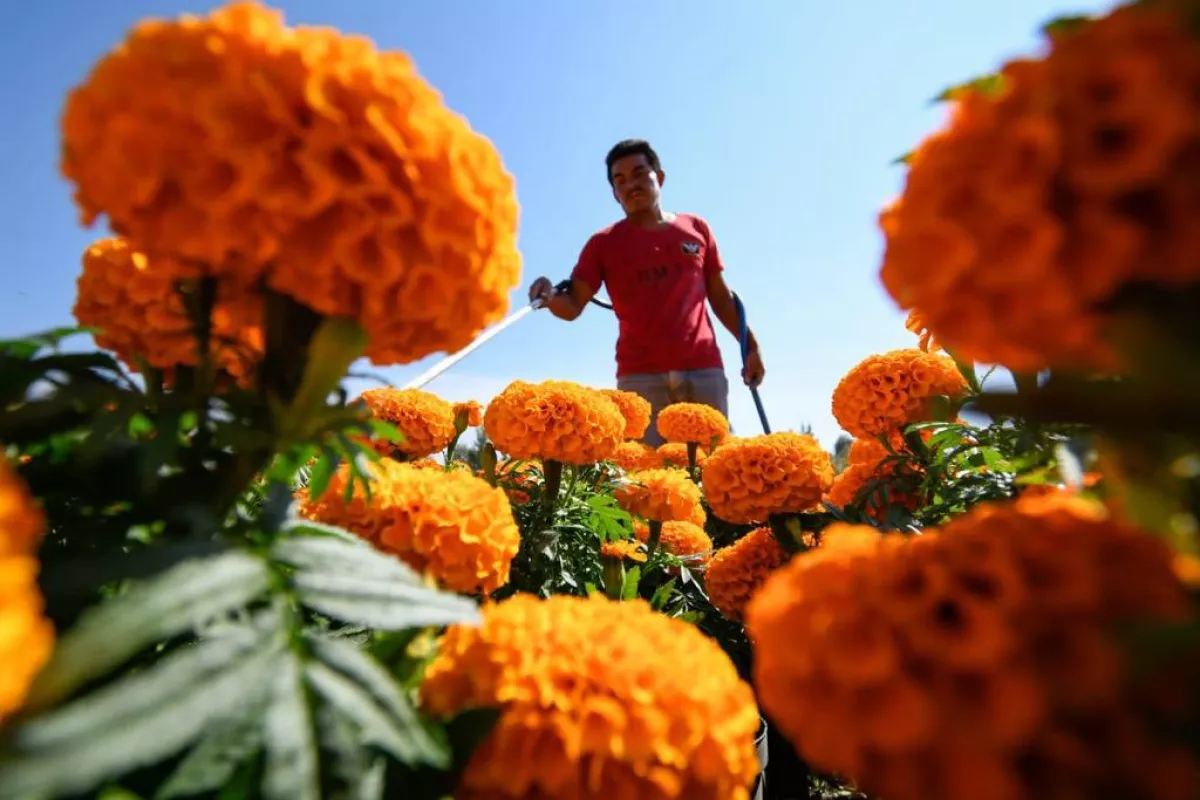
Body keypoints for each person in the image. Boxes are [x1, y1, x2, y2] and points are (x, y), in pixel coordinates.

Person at [528, 139, 766, 448]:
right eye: (620, 180)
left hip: (703, 369)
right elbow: (572, 304)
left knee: (710, 464)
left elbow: (720, 297)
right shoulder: (603, 244)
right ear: (614, 193)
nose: (631, 185)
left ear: (660, 177)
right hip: (639, 378)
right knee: (646, 469)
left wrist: (751, 347)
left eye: (640, 173)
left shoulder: (696, 228)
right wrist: (548, 298)